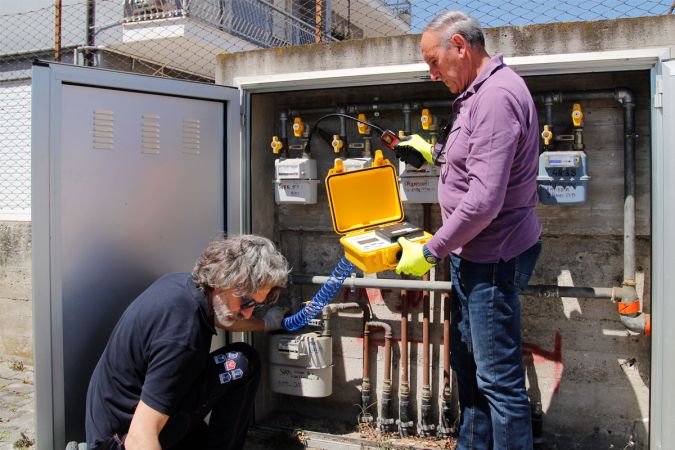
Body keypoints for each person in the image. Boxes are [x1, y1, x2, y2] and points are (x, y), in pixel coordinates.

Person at [395, 10, 543, 450]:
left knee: (498, 381)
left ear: (459, 46)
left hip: (492, 258)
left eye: (433, 61)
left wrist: (431, 250)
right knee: (470, 367)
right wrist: (433, 153)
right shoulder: (477, 93)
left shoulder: (496, 97)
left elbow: (483, 200)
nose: (432, 73)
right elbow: (475, 157)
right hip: (472, 255)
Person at [85, 235, 290, 450]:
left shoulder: (184, 287)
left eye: (256, 306)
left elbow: (228, 317)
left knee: (242, 363)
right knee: (241, 363)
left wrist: (265, 324)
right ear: (223, 279)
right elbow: (139, 438)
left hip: (119, 423)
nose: (248, 313)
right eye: (246, 301)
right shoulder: (182, 338)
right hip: (123, 440)